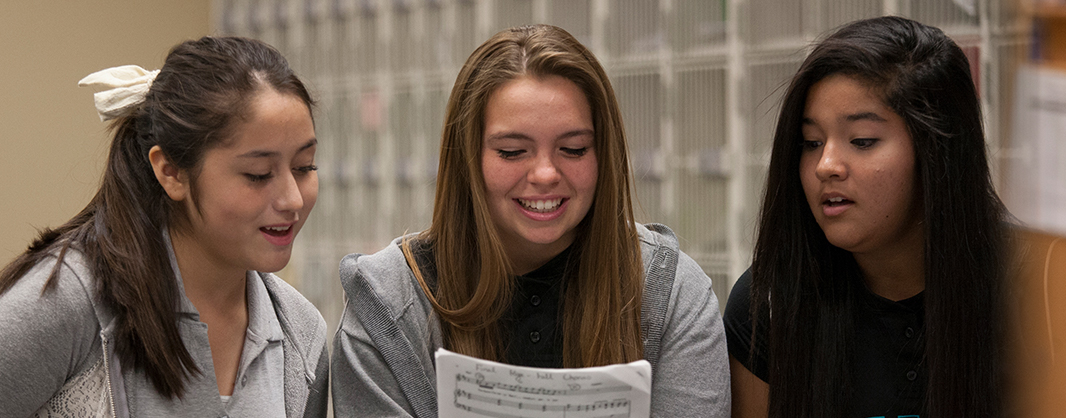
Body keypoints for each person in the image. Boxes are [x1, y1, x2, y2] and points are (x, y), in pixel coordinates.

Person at [330, 24, 728, 417]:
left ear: (603, 155)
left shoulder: (671, 292)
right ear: (468, 160)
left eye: (573, 149)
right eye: (512, 151)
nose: (545, 174)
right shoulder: (389, 303)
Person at [0, 36, 327, 417]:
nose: (293, 199)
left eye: (305, 167)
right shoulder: (68, 300)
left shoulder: (301, 333)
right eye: (258, 174)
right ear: (170, 171)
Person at [724, 16, 1010, 418]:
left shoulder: (1041, 287)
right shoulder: (769, 302)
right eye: (811, 142)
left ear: (937, 152)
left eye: (862, 141)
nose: (826, 165)